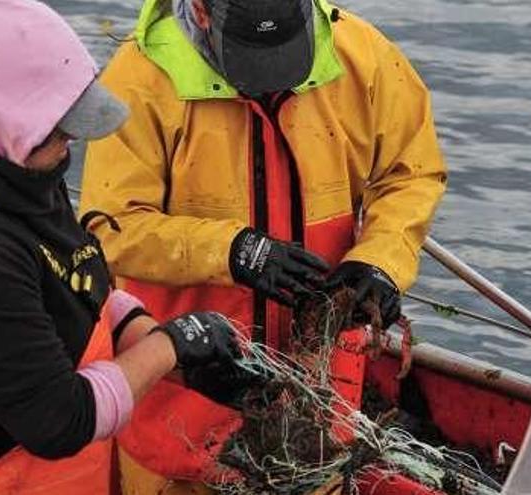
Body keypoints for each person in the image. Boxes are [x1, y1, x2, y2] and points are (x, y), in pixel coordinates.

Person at [0, 1, 249, 493]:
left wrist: (169, 351)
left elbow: (80, 285)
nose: (72, 138)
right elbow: (60, 422)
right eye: (58, 123)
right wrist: (173, 345)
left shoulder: (16, 168)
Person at [81, 0, 448, 491]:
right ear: (201, 10)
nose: (271, 77)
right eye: (252, 52)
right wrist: (232, 251)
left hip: (318, 422)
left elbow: (411, 174)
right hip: (182, 423)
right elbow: (109, 227)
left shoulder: (365, 56)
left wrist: (379, 263)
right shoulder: (140, 79)